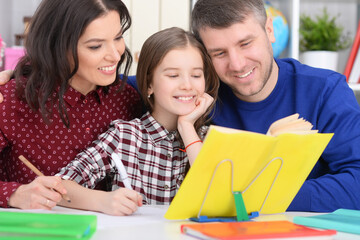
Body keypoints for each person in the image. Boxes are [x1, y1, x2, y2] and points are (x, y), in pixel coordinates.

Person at [190, 0, 360, 212]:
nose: (237, 64)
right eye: (219, 53)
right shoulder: (195, 92)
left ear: (269, 30)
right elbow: (142, 83)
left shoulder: (326, 90)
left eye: (245, 44)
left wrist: (260, 194)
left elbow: (357, 182)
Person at [54, 27, 219, 216]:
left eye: (196, 75)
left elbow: (219, 196)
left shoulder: (210, 138)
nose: (187, 85)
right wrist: (103, 201)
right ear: (149, 85)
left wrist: (187, 127)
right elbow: (59, 187)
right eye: (173, 75)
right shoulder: (124, 136)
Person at [0, 0, 142, 209]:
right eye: (95, 46)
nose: (115, 54)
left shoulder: (127, 99)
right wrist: (14, 194)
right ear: (57, 46)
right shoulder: (12, 101)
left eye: (118, 38)